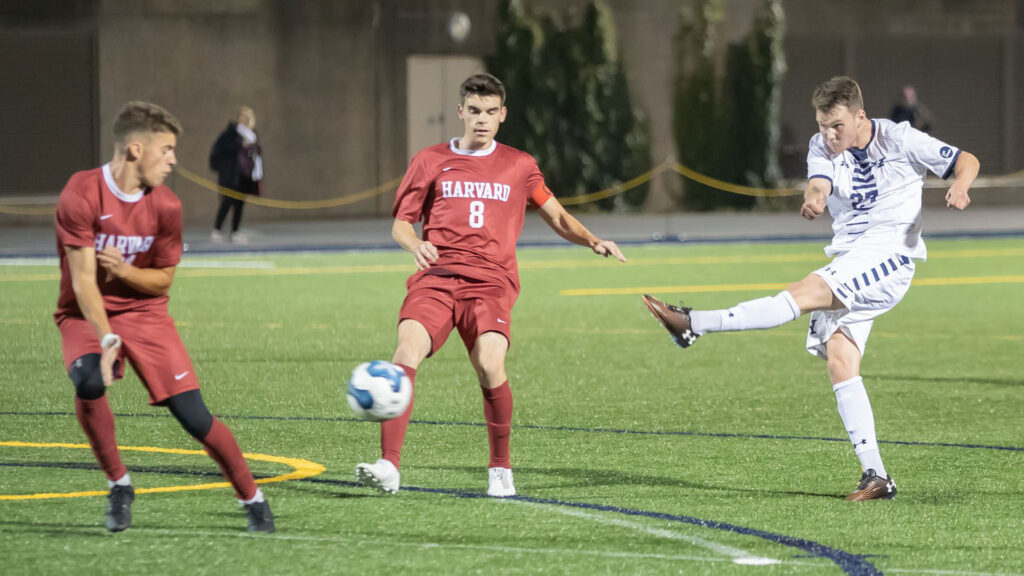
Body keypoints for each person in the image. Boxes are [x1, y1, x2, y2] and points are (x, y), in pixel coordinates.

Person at [642, 76, 977, 501]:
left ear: (860, 116)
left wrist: (960, 185)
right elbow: (819, 181)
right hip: (850, 258)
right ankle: (875, 475)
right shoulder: (822, 146)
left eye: (837, 125)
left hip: (890, 255)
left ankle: (693, 323)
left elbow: (966, 159)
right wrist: (816, 198)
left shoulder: (900, 138)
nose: (828, 134)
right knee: (840, 360)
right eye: (821, 125)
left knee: (802, 292)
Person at [355, 73, 626, 497]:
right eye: (474, 111)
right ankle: (389, 465)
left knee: (489, 365)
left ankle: (500, 469)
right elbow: (401, 225)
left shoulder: (520, 165)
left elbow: (555, 215)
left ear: (503, 115)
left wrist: (593, 239)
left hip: (491, 284)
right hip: (437, 279)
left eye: (490, 112)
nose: (482, 120)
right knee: (405, 351)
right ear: (461, 112)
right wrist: (415, 245)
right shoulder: (428, 160)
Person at [54, 101, 274, 532]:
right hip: (85, 313)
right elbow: (82, 283)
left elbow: (162, 282)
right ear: (135, 149)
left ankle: (254, 498)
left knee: (194, 416)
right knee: (88, 379)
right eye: (167, 149)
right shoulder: (80, 193)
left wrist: (124, 271)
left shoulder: (167, 206)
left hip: (145, 312)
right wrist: (106, 338)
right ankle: (119, 484)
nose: (174, 160)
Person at [209, 106, 263, 244]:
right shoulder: (230, 134)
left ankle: (235, 231)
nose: (244, 121)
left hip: (244, 176)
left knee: (239, 204)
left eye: (248, 119)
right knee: (226, 203)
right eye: (242, 118)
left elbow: (256, 155)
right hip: (230, 176)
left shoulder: (252, 135)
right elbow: (218, 151)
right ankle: (217, 230)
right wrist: (239, 145)